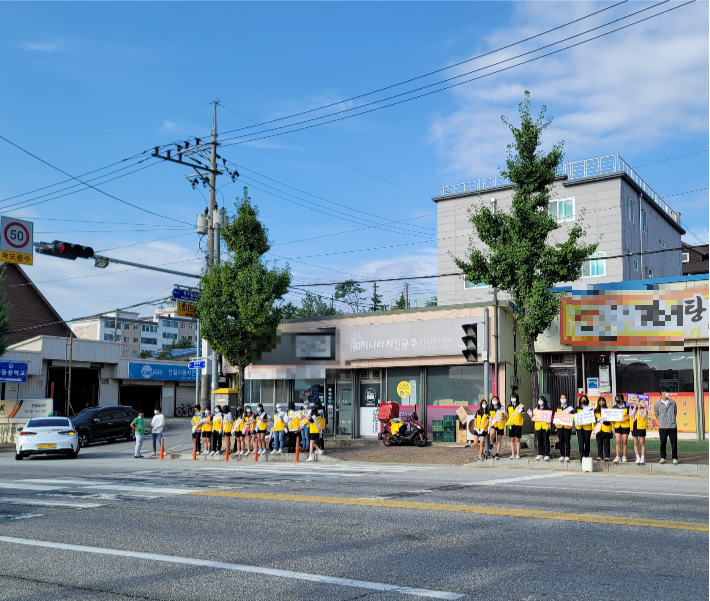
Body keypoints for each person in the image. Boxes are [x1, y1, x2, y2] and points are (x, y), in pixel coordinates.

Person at [654, 388, 678, 464]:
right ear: (662, 393)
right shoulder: (657, 404)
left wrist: (671, 419)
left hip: (672, 426)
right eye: (665, 392)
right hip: (663, 426)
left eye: (668, 392)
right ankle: (663, 457)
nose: (667, 393)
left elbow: (675, 412)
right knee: (663, 442)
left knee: (673, 442)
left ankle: (674, 457)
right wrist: (662, 420)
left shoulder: (672, 402)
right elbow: (657, 414)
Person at [612, 393, 630, 463]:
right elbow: (612, 416)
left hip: (625, 426)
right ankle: (617, 456)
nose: (617, 400)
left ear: (622, 399)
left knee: (624, 441)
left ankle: (624, 456)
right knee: (617, 441)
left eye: (618, 398)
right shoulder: (614, 407)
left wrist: (625, 419)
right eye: (616, 398)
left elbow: (631, 416)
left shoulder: (627, 407)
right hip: (617, 425)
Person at [555, 394, 573, 462]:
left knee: (567, 441)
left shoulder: (570, 408)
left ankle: (567, 455)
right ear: (560, 399)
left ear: (566, 399)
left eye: (564, 398)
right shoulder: (558, 407)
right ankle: (562, 455)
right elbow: (556, 417)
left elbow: (572, 416)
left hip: (567, 427)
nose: (563, 399)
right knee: (561, 441)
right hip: (560, 427)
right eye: (562, 398)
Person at [594, 397, 612, 461]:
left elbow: (610, 420)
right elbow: (593, 420)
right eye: (600, 401)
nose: (601, 402)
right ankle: (600, 456)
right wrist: (597, 420)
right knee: (599, 444)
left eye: (603, 401)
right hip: (598, 429)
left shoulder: (608, 410)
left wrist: (603, 421)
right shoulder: (595, 411)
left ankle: (607, 456)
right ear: (598, 402)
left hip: (606, 429)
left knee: (606, 444)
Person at [506, 393, 524, 460]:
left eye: (513, 397)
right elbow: (507, 416)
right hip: (511, 424)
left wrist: (520, 412)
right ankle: (513, 454)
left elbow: (523, 415)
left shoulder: (520, 406)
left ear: (516, 398)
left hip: (518, 424)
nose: (512, 399)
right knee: (512, 439)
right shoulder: (509, 406)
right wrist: (504, 413)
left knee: (518, 439)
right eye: (511, 397)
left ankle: (518, 454)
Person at [629, 400, 648, 465]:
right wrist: (634, 408)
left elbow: (643, 416)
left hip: (641, 426)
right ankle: (637, 457)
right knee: (635, 442)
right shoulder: (631, 406)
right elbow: (631, 415)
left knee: (642, 442)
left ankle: (642, 457)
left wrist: (639, 409)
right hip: (634, 426)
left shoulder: (644, 406)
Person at [575, 396, 593, 460]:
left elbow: (592, 417)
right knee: (581, 441)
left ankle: (587, 454)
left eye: (584, 399)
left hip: (587, 427)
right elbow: (575, 417)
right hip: (579, 427)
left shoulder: (590, 408)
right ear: (580, 400)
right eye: (582, 399)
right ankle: (582, 455)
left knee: (587, 441)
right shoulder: (577, 408)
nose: (583, 400)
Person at [533, 396, 550, 461]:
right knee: (539, 440)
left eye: (541, 400)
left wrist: (549, 419)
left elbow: (551, 417)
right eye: (539, 400)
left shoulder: (547, 409)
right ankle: (540, 453)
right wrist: (531, 415)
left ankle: (547, 454)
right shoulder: (536, 409)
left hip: (545, 427)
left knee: (546, 440)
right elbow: (534, 418)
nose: (540, 401)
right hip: (538, 426)